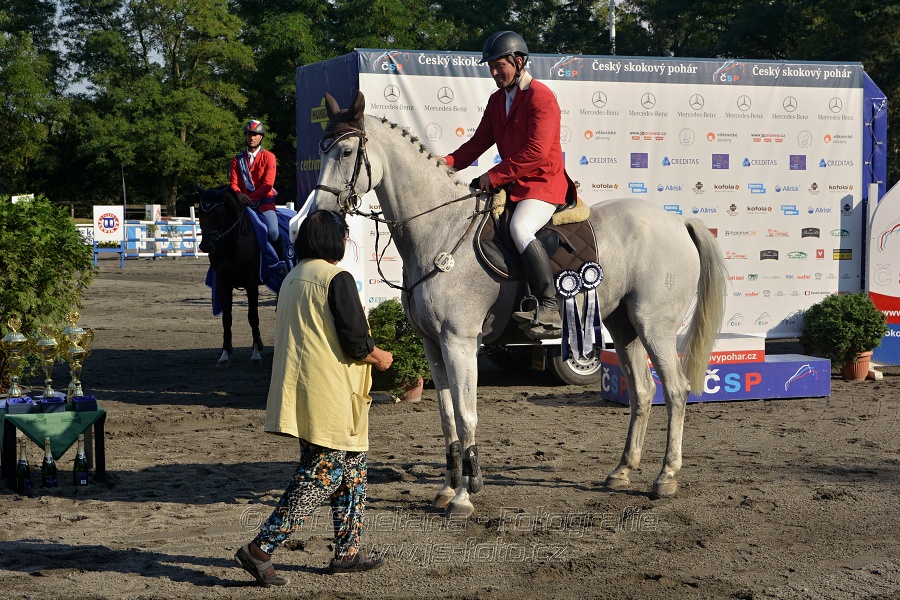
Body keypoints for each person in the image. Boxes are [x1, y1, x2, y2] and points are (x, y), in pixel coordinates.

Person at [234, 210, 393, 586]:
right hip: (330, 391)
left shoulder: (292, 277)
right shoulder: (336, 277)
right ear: (334, 241)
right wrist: (381, 357)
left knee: (353, 471)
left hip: (302, 388)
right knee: (322, 475)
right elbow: (357, 342)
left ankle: (348, 553)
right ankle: (260, 549)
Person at [442, 31, 575, 331]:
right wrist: (446, 163)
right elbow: (478, 143)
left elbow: (537, 152)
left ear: (518, 61)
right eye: (490, 66)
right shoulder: (496, 100)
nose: (493, 72)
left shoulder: (541, 97)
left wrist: (494, 175)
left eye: (498, 65)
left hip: (544, 184)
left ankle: (550, 305)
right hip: (515, 184)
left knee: (520, 227)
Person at [230, 119, 284, 259]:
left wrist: (250, 198)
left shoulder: (269, 157)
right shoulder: (238, 159)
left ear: (261, 137)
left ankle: (280, 262)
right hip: (242, 204)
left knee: (273, 232)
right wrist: (239, 194)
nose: (251, 137)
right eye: (249, 134)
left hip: (264, 204)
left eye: (255, 134)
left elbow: (268, 185)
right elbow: (233, 183)